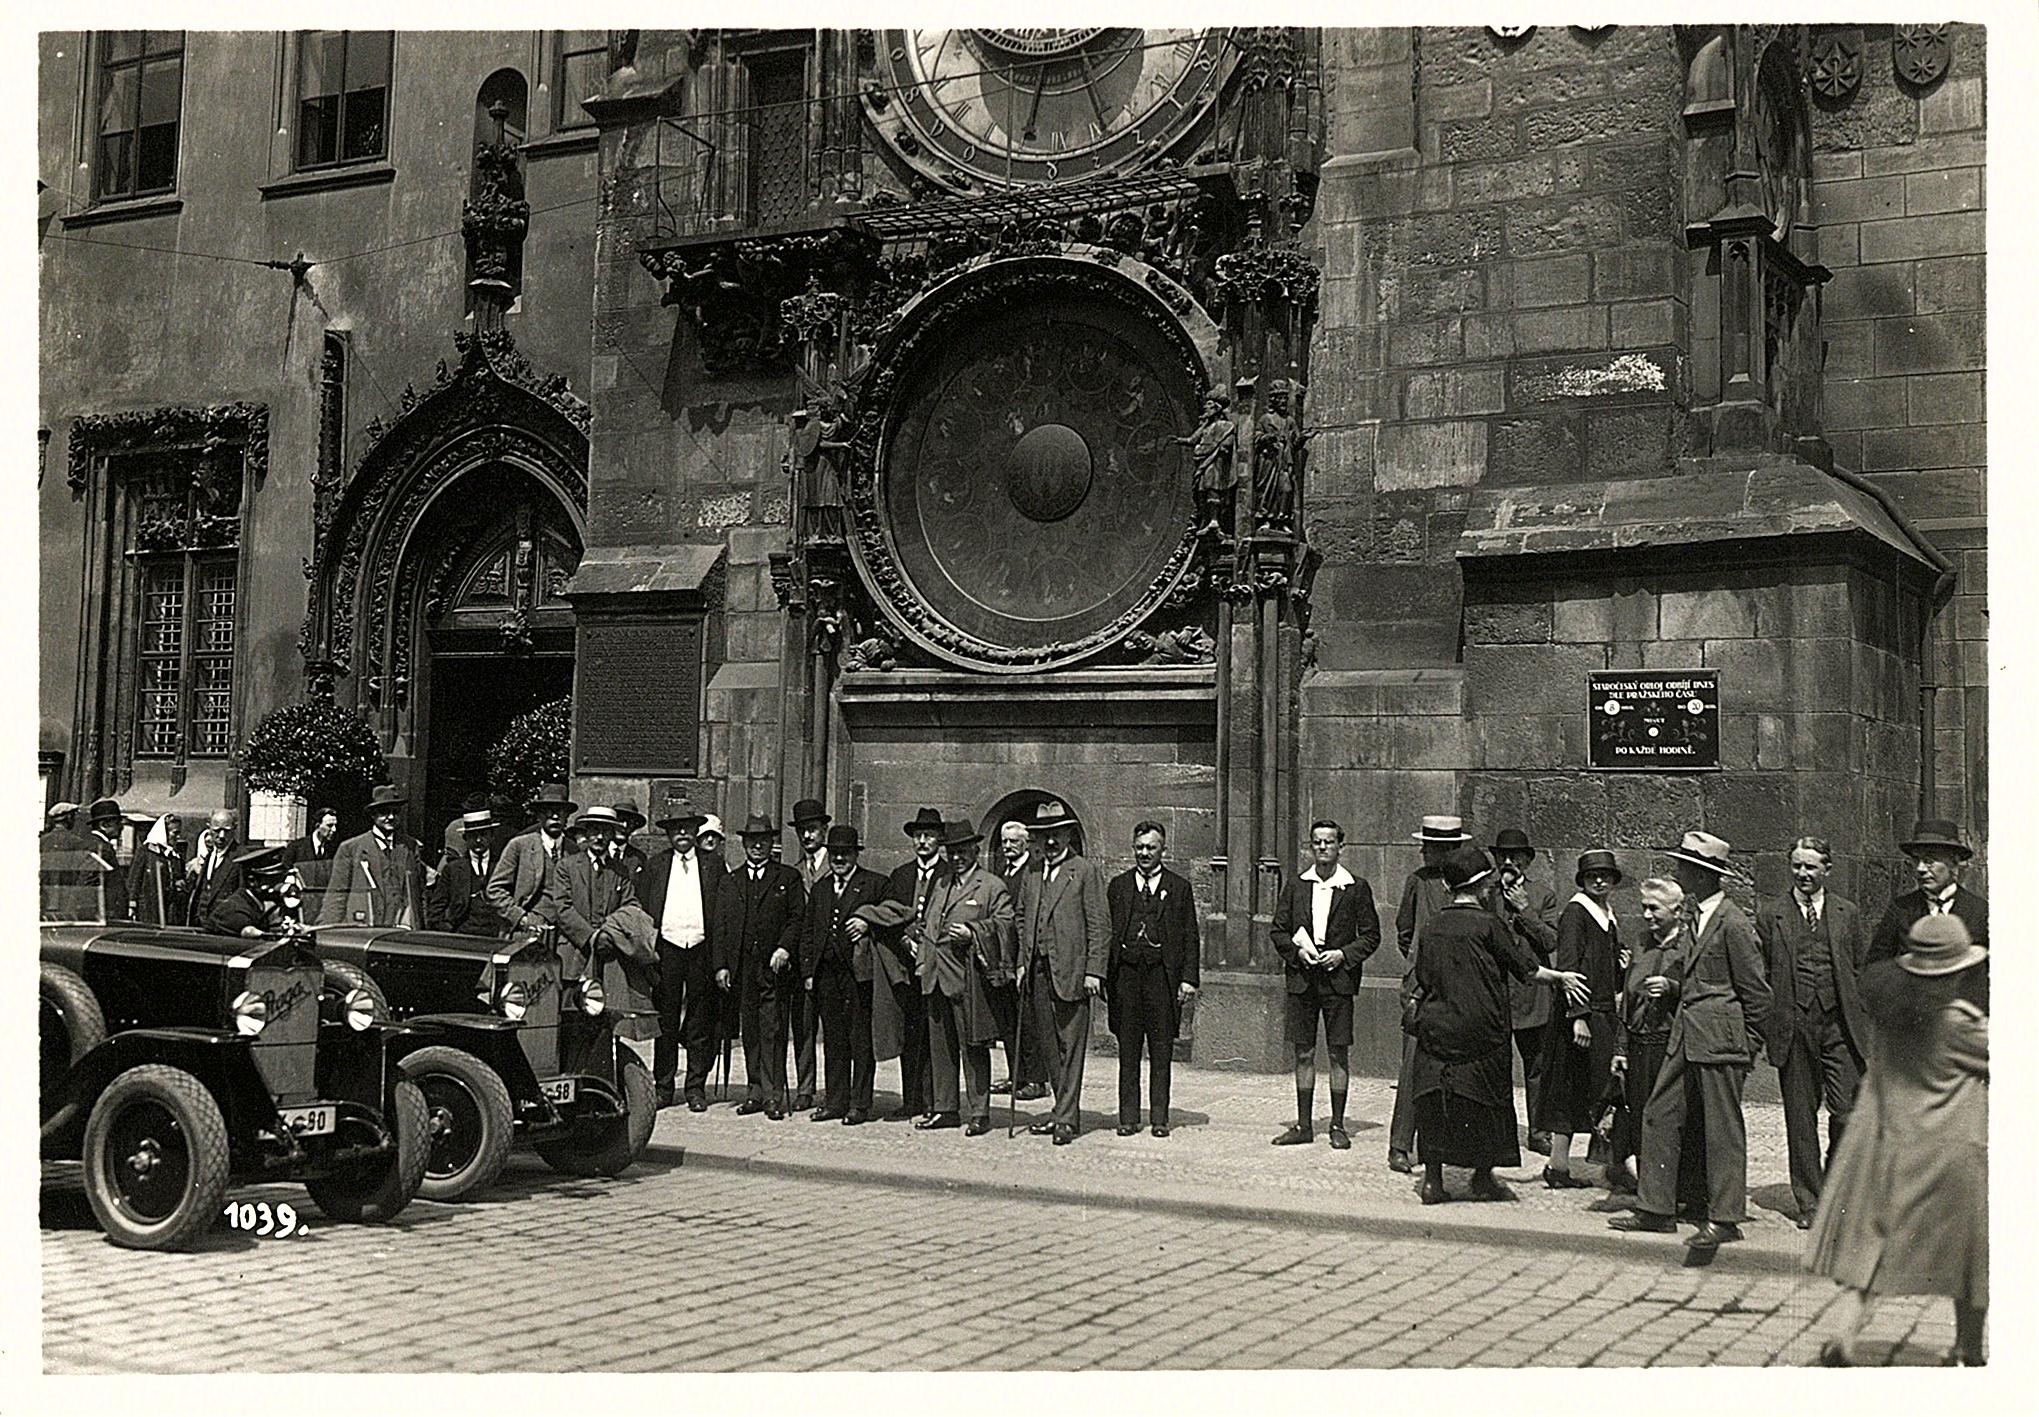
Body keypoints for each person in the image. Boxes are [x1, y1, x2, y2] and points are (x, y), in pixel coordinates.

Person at [1807, 914, 1987, 1367]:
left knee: (1874, 1253)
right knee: (1971, 1256)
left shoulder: (1893, 1018)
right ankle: (1967, 1348)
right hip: (1951, 1154)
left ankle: (1845, 1334)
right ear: (1956, 973)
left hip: (1895, 1148)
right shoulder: (1959, 1024)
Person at [1610, 831, 1771, 1251]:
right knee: (1659, 1113)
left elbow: (1756, 993)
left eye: (1684, 866)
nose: (1678, 872)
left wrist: (1748, 1047)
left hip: (1721, 1041)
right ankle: (1656, 1209)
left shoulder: (1733, 923)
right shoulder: (1696, 918)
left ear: (1701, 874)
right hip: (1685, 1035)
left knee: (1722, 1129)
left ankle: (1725, 1218)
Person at [1410, 846, 1590, 1203]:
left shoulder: (1432, 925)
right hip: (1482, 1027)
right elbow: (1525, 968)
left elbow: (1423, 975)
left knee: (1435, 1102)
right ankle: (1482, 1179)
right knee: (1486, 1101)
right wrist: (1560, 978)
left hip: (1437, 1025)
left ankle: (1433, 1181)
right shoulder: (1489, 924)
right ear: (1481, 887)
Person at [1756, 836, 1868, 1228]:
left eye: (1811, 866)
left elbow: (1859, 970)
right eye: (1797, 866)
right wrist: (1768, 1024)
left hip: (1839, 1025)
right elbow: (1762, 974)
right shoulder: (1772, 914)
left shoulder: (1846, 912)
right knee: (1800, 1118)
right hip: (1794, 1026)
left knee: (1847, 1112)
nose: (1803, 873)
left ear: (1827, 870)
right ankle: (1809, 1202)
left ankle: (1835, 1184)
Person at [1269, 818, 1382, 1150]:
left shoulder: (1356, 887)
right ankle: (1303, 1125)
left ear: (1340, 847)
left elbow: (1371, 936)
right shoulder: (1296, 885)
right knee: (1303, 1052)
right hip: (1303, 980)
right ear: (1310, 846)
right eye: (1317, 842)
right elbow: (1278, 930)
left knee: (1337, 1052)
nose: (1322, 847)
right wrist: (1298, 953)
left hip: (1338, 982)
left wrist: (1343, 955)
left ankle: (1337, 1125)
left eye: (1329, 842)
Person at [1012, 798, 1110, 1146]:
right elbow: (1021, 917)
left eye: (1057, 834)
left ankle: (1066, 1120)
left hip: (1072, 973)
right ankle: (1062, 1111)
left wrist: (1094, 971)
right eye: (1044, 835)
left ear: (1069, 835)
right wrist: (1022, 961)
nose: (1050, 841)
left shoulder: (1083, 871)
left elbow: (1100, 925)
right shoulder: (1032, 873)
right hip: (1038, 973)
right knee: (1050, 1049)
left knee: (1071, 1048)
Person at [1608, 877, 1709, 1213]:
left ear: (1677, 911)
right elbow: (1627, 1000)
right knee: (1643, 1121)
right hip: (1640, 1045)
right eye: (1644, 908)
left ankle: (1688, 1196)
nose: (1647, 915)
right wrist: (1620, 1048)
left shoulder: (1690, 944)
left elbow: (1701, 991)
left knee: (1680, 1121)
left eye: (1654, 908)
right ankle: (1652, 1196)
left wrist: (1672, 987)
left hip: (1672, 1045)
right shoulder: (1641, 942)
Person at [1534, 850, 1624, 1189]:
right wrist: (1578, 1018)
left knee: (1590, 1089)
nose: (1599, 880)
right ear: (1582, 880)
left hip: (1602, 1012)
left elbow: (1600, 964)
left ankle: (1598, 1165)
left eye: (1605, 875)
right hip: (1584, 1016)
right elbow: (1569, 966)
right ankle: (1579, 1166)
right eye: (1591, 876)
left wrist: (1620, 964)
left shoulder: (1605, 913)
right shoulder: (1576, 913)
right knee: (1580, 1089)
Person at [920, 820, 1017, 1135]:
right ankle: (945, 1108)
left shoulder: (990, 885)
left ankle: (979, 1111)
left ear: (975, 850)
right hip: (936, 976)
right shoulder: (941, 883)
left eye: (962, 851)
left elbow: (1006, 924)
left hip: (968, 979)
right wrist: (923, 961)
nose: (957, 857)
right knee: (941, 1047)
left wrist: (974, 932)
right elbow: (929, 925)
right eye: (952, 852)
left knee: (973, 1046)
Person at [1106, 821, 1200, 1138]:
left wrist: (1188, 979)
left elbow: (1190, 936)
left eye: (1151, 847)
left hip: (1162, 979)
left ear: (1163, 850)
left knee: (1161, 1052)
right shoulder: (1119, 886)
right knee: (1128, 1051)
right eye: (1140, 847)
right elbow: (1107, 933)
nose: (1145, 853)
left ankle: (1159, 1118)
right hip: (1127, 979)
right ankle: (1128, 1118)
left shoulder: (1178, 888)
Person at [1388, 815, 1470, 1168]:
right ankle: (1400, 1145)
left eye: (1430, 847)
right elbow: (1404, 930)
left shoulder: (1469, 883)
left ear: (1448, 850)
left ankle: (1443, 1145)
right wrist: (1417, 961)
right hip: (1421, 986)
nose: (1423, 851)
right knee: (1412, 1064)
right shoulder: (1418, 881)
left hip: (1461, 985)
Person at [713, 815, 807, 1119]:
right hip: (742, 967)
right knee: (750, 1029)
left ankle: (773, 1095)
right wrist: (721, 966)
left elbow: (797, 918)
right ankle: (754, 1091)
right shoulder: (730, 881)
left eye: (763, 841)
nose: (757, 846)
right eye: (752, 841)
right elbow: (720, 926)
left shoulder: (787, 877)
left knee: (773, 1029)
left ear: (771, 843)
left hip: (773, 967)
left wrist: (784, 948)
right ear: (744, 844)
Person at [637, 801, 725, 1111]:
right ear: (669, 834)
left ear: (696, 831)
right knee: (666, 1020)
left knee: (700, 1020)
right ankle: (663, 1086)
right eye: (676, 830)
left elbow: (722, 912)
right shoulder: (656, 865)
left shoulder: (713, 864)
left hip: (701, 948)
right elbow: (644, 908)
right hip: (667, 949)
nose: (683, 834)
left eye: (687, 829)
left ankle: (695, 1087)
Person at [802, 824, 887, 1124]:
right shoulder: (821, 888)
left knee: (860, 1039)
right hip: (827, 974)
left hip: (859, 975)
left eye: (846, 853)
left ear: (855, 855)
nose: (839, 859)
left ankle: (860, 1103)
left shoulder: (874, 884)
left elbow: (892, 915)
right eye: (835, 853)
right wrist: (808, 970)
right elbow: (809, 932)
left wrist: (868, 921)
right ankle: (835, 1101)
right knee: (834, 1039)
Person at [1868, 819, 1988, 1011]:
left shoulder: (1980, 911)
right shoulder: (1902, 908)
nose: (1920, 869)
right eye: (1916, 860)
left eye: (1929, 861)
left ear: (1954, 862)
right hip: (1912, 1018)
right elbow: (1876, 966)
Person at [1489, 828, 1559, 1155]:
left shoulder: (1542, 895)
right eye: (1502, 856)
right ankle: (1500, 1131)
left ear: (1527, 861)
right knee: (1497, 1068)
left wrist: (1524, 910)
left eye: (1515, 856)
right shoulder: (1486, 895)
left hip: (1533, 996)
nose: (1508, 861)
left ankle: (1539, 1131)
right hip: (1496, 994)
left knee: (1537, 1067)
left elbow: (1551, 941)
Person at [874, 808, 946, 1121]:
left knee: (936, 1035)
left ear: (939, 839)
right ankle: (912, 1099)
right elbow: (888, 914)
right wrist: (905, 939)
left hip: (938, 965)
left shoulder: (948, 874)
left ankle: (936, 1101)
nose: (923, 841)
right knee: (910, 1031)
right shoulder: (901, 875)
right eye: (918, 836)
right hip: (905, 966)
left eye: (929, 835)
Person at [995, 818, 1051, 1102]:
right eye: (1004, 841)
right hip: (1003, 957)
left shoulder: (1034, 871)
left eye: (1014, 842)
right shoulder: (1002, 872)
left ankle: (1037, 1080)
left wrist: (1022, 958)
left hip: (1025, 957)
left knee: (1029, 1020)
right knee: (1009, 1019)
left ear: (1026, 843)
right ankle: (1016, 1075)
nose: (1008, 846)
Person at [784, 798, 833, 1111]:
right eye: (802, 830)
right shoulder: (794, 872)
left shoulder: (836, 866)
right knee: (803, 1028)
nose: (807, 836)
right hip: (801, 962)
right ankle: (805, 1088)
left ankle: (837, 1089)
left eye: (813, 829)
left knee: (835, 1030)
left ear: (824, 830)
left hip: (830, 960)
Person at [324, 784, 427, 928]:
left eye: (395, 812)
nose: (391, 817)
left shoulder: (410, 847)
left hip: (400, 930)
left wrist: (421, 927)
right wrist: (328, 931)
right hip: (364, 929)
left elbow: (419, 894)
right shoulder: (351, 848)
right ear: (373, 815)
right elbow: (337, 896)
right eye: (384, 812)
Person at [485, 782, 576, 939]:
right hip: (528, 930)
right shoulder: (520, 845)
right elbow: (494, 890)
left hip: (564, 935)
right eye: (548, 811)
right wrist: (521, 918)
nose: (555, 816)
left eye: (560, 811)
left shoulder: (574, 850)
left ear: (567, 816)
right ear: (538, 815)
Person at [430, 804, 503, 936]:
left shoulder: (502, 866)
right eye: (473, 835)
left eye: (483, 834)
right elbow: (436, 910)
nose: (478, 840)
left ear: (492, 836)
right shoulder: (452, 870)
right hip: (462, 936)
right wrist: (448, 930)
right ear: (465, 838)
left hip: (495, 937)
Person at [206, 846, 306, 937]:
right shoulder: (233, 911)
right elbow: (252, 935)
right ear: (252, 881)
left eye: (281, 879)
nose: (279, 886)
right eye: (272, 881)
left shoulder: (258, 904)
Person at [127, 814, 188, 925]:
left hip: (168, 908)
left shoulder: (175, 856)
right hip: (148, 907)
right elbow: (134, 879)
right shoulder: (146, 852)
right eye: (175, 833)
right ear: (164, 833)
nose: (178, 837)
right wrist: (132, 903)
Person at [185, 809, 241, 927]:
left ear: (235, 829)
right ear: (209, 828)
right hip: (199, 925)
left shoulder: (241, 857)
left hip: (222, 926)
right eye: (217, 830)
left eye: (227, 831)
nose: (222, 836)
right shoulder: (209, 855)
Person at [84, 797, 131, 921]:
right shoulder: (100, 848)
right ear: (104, 825)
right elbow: (89, 883)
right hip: (106, 916)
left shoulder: (97, 844)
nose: (121, 827)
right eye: (118, 823)